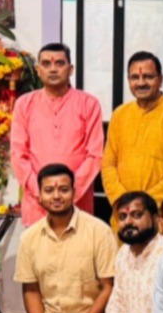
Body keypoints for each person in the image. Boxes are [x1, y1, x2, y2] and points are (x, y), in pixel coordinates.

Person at [10, 164, 117, 313]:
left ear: (74, 192)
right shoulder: (29, 237)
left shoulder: (99, 231)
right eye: (49, 190)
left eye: (63, 189)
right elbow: (31, 289)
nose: (56, 196)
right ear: (39, 195)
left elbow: (108, 288)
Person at [9, 43, 104, 227]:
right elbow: (18, 155)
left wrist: (69, 192)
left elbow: (95, 156)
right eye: (46, 64)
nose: (53, 69)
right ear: (38, 70)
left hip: (78, 204)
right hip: (37, 206)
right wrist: (41, 192)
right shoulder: (24, 104)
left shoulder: (89, 104)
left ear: (71, 69)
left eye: (59, 63)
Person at [101, 51, 163, 234]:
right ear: (128, 80)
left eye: (148, 77)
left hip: (160, 217)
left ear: (161, 79)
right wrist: (122, 201)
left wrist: (145, 204)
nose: (141, 83)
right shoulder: (119, 115)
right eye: (135, 77)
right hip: (122, 216)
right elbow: (108, 164)